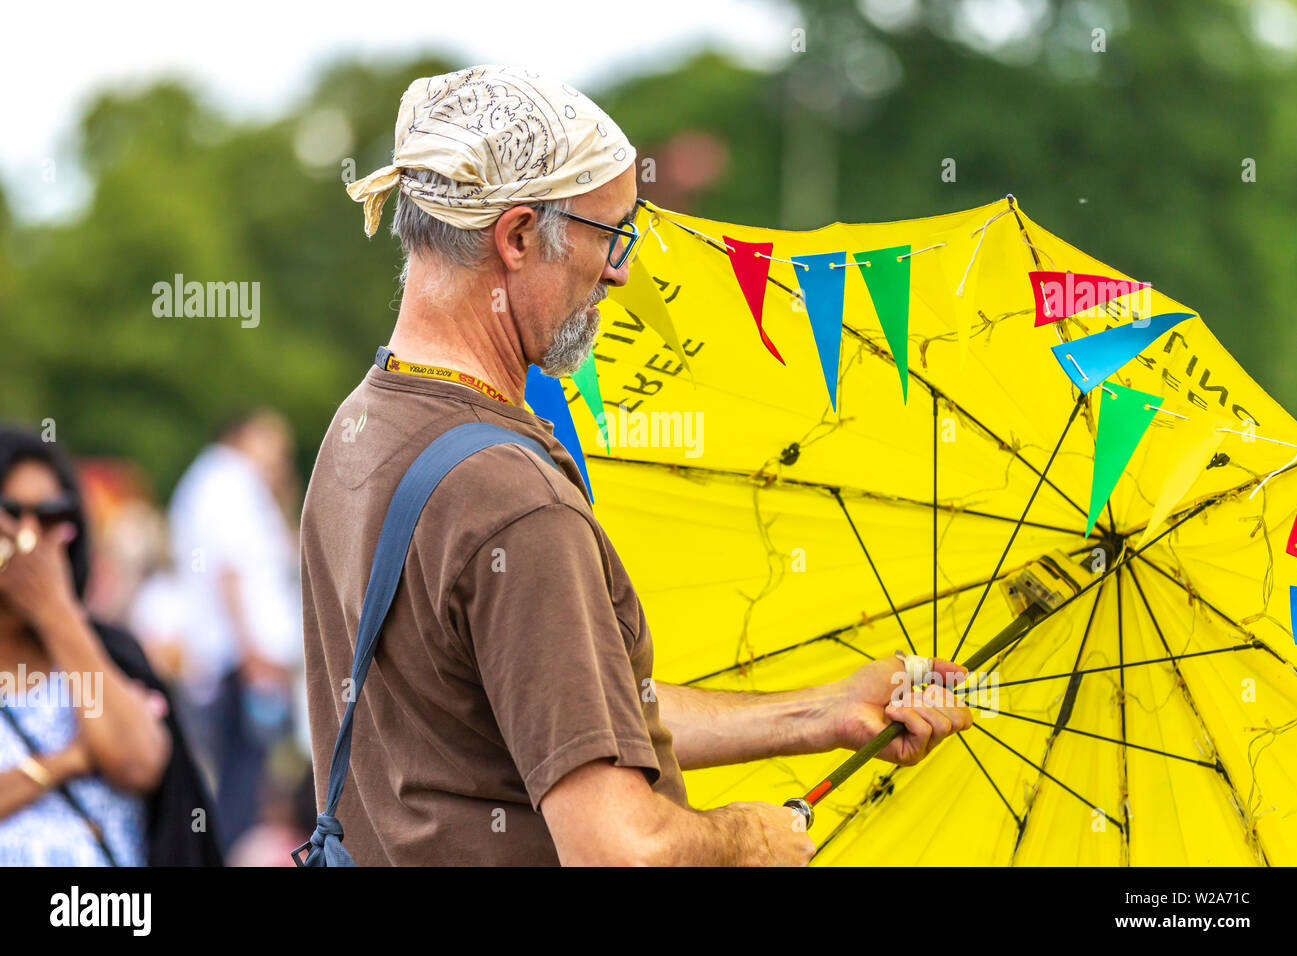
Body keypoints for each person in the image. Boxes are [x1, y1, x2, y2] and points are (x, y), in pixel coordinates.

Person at [301, 64, 971, 866]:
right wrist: (749, 839)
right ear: (517, 237)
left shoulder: (362, 425)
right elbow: (620, 848)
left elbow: (568, 715)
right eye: (611, 234)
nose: (620, 270)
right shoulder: (514, 504)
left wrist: (821, 713)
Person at [0, 425, 221, 866]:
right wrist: (68, 761)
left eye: (49, 517)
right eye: (12, 514)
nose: (30, 539)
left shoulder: (111, 653)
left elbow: (139, 762)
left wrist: (57, 613)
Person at [167, 409, 302, 852]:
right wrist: (254, 654)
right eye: (273, 442)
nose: (280, 455)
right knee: (241, 789)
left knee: (237, 782)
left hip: (230, 658)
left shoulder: (212, 481)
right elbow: (229, 571)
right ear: (242, 435)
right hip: (241, 661)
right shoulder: (230, 482)